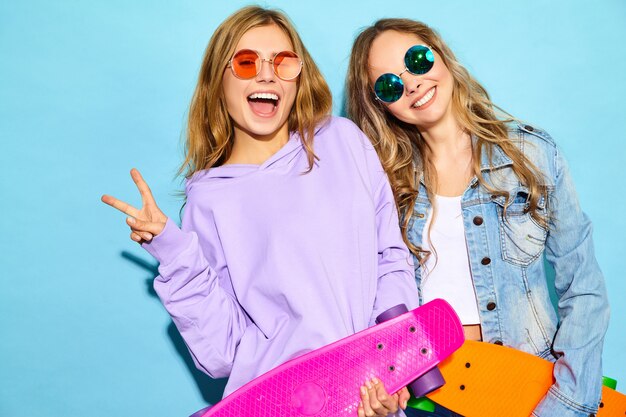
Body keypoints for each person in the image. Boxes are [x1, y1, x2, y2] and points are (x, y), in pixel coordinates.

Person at [102, 6, 418, 417]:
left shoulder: (342, 141)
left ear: (298, 76)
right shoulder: (209, 199)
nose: (267, 74)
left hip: (368, 396)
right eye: (247, 62)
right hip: (281, 405)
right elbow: (222, 354)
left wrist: (395, 363)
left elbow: (390, 258)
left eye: (283, 62)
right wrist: (174, 252)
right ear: (219, 79)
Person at [346, 18, 609, 417]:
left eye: (416, 60)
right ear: (378, 104)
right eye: (389, 84)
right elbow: (372, 310)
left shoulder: (532, 155)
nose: (412, 84)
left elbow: (584, 287)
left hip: (532, 392)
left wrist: (567, 402)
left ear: (440, 55)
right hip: (431, 400)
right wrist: (385, 394)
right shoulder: (384, 189)